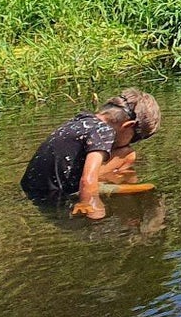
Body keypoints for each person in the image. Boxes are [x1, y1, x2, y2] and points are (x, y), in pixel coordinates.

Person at [21, 89, 161, 221]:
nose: (131, 143)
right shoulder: (104, 131)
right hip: (55, 196)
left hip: (31, 188)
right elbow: (87, 180)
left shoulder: (83, 119)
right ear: (128, 126)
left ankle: (107, 186)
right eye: (135, 138)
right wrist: (87, 203)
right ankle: (107, 188)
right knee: (100, 213)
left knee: (127, 154)